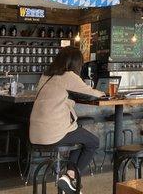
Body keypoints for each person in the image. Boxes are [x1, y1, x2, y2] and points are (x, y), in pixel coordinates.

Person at [29, 46, 105, 194]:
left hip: (35, 134)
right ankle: (71, 176)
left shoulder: (45, 76)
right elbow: (93, 93)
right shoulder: (68, 76)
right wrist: (104, 92)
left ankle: (69, 180)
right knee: (93, 142)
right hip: (53, 133)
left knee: (78, 135)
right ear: (76, 63)